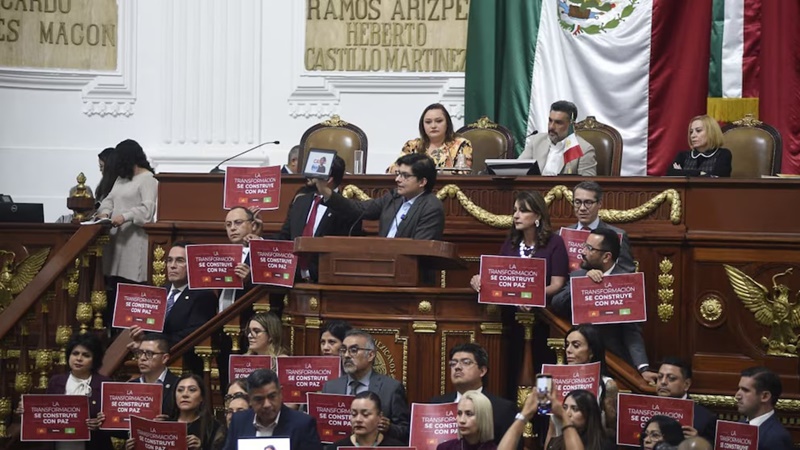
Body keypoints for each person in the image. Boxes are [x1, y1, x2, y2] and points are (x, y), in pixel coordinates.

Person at [551, 228, 656, 383]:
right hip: (579, 364)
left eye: (590, 249)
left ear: (606, 256)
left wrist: (643, 368)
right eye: (584, 246)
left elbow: (632, 332)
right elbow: (556, 304)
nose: (583, 252)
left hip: (614, 363)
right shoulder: (579, 275)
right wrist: (583, 284)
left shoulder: (626, 283)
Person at [128, 242, 217, 372]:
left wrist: (151, 343)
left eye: (179, 261)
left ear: (193, 265)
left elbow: (192, 334)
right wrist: (141, 337)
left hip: (184, 366)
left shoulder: (203, 296)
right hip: (153, 365)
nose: (172, 266)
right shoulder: (158, 293)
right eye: (169, 260)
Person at [96, 139, 158, 324]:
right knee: (113, 287)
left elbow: (148, 210)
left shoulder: (148, 179)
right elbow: (109, 199)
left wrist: (125, 216)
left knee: (130, 287)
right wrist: (105, 212)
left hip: (134, 241)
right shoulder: (122, 178)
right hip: (116, 241)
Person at [316, 153, 445, 240]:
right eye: (398, 174)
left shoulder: (431, 206)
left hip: (411, 275)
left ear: (422, 182)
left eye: (405, 176)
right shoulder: (394, 197)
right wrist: (325, 191)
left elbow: (421, 248)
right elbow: (359, 209)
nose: (397, 179)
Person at [275, 155, 362, 281]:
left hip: (325, 280)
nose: (308, 176)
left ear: (328, 179)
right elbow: (285, 236)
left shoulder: (347, 209)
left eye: (315, 173)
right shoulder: (301, 201)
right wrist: (259, 239)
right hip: (292, 277)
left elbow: (345, 252)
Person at [470, 190, 569, 298]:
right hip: (510, 305)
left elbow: (557, 285)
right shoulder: (512, 241)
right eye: (515, 210)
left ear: (538, 216)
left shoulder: (555, 242)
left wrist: (530, 296)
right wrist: (479, 279)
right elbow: (497, 275)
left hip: (542, 309)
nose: (516, 216)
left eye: (523, 211)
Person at [321, 329, 410, 442]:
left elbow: (406, 431)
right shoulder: (330, 387)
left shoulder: (391, 388)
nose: (347, 355)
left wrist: (389, 428)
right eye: (343, 350)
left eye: (354, 350)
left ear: (371, 355)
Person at [430, 343, 518, 447]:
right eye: (453, 363)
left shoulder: (503, 409)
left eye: (466, 362)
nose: (457, 367)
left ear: (482, 371)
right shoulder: (435, 404)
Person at [40, 333, 113, 450]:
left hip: (94, 444)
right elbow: (45, 413)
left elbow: (114, 420)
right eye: (75, 353)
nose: (79, 358)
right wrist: (27, 409)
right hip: (60, 445)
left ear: (94, 360)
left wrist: (101, 424)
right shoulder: (56, 381)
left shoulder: (104, 384)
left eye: (86, 355)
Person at [223, 369, 322, 450]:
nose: (267, 405)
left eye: (272, 396)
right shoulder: (239, 421)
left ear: (280, 393)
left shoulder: (303, 424)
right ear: (250, 400)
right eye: (259, 399)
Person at [126, 373, 224, 450]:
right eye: (180, 390)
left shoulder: (213, 427)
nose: (185, 394)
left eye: (192, 390)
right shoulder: (164, 423)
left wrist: (200, 448)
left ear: (201, 397)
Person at [561, 325, 618, 438]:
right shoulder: (557, 380)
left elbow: (613, 430)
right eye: (567, 345)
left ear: (591, 352)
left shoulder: (608, 385)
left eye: (576, 345)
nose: (568, 350)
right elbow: (552, 428)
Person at [565, 181, 634, 273]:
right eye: (577, 202)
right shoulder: (562, 235)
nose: (582, 208)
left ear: (599, 204)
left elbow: (627, 272)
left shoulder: (617, 235)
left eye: (588, 202)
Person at [437, 390, 537, 450]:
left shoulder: (495, 448)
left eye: (469, 414)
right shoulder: (445, 448)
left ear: (483, 416)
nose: (462, 420)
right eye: (459, 413)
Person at [388, 103, 473, 174]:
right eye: (428, 122)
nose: (433, 126)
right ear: (423, 125)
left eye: (439, 121)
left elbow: (463, 173)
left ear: (447, 123)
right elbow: (392, 170)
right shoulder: (412, 145)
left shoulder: (461, 144)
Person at [517, 100, 596, 176]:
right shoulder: (537, 140)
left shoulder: (584, 149)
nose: (551, 127)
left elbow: (587, 185)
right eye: (550, 121)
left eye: (558, 123)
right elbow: (517, 169)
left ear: (572, 126)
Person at [655, 357, 716, 442]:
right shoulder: (641, 410)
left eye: (671, 378)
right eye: (660, 377)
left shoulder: (705, 419)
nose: (663, 382)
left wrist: (698, 443)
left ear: (686, 384)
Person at [735, 366, 793, 450]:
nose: (737, 396)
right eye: (739, 389)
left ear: (765, 396)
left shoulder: (776, 437)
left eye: (745, 390)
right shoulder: (740, 424)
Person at [328, 391, 406, 449]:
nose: (358, 420)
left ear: (379, 416)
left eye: (365, 414)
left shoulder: (396, 448)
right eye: (354, 414)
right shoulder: (336, 448)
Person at [544, 389, 615, 450]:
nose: (567, 414)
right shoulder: (555, 443)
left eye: (575, 409)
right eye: (565, 408)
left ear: (588, 414)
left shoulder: (605, 445)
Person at [129, 333, 180, 417]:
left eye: (149, 353)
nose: (142, 358)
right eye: (140, 352)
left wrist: (167, 423)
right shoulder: (130, 386)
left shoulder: (178, 385)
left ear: (164, 358)